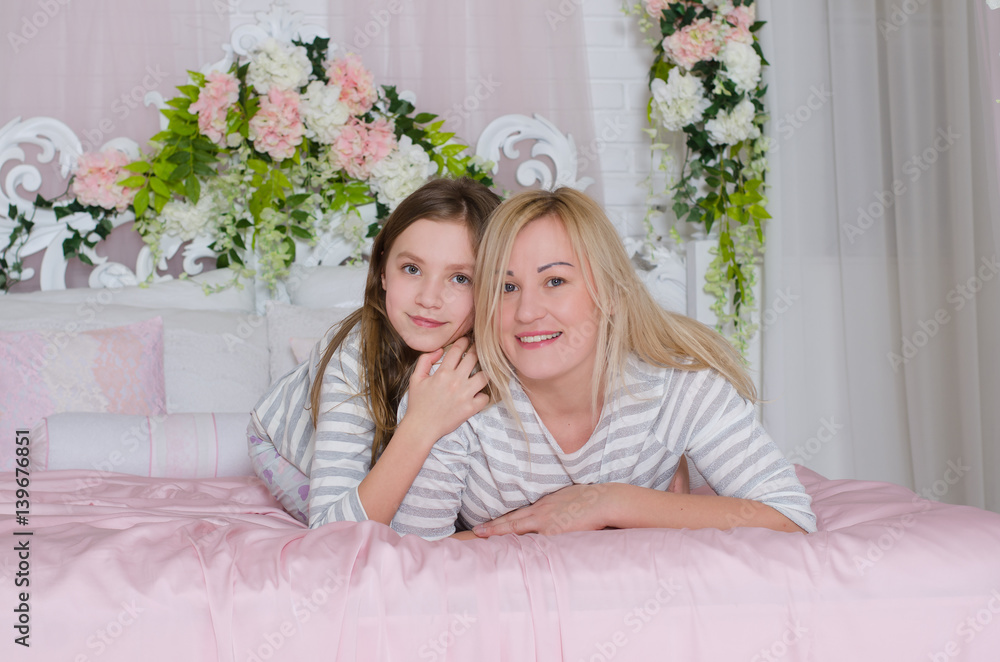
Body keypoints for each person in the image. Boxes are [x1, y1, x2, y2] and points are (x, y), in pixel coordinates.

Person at [391, 188, 816, 540]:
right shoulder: (453, 393)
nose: (527, 312)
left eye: (555, 281)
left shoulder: (679, 387)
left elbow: (789, 516)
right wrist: (536, 531)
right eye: (507, 287)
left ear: (610, 294)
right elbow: (412, 556)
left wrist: (611, 502)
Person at [248, 177, 498, 527]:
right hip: (280, 447)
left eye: (460, 278)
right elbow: (333, 531)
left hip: (395, 438)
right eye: (412, 269)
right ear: (383, 272)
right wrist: (423, 423)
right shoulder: (353, 356)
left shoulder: (505, 348)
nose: (428, 299)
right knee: (379, 528)